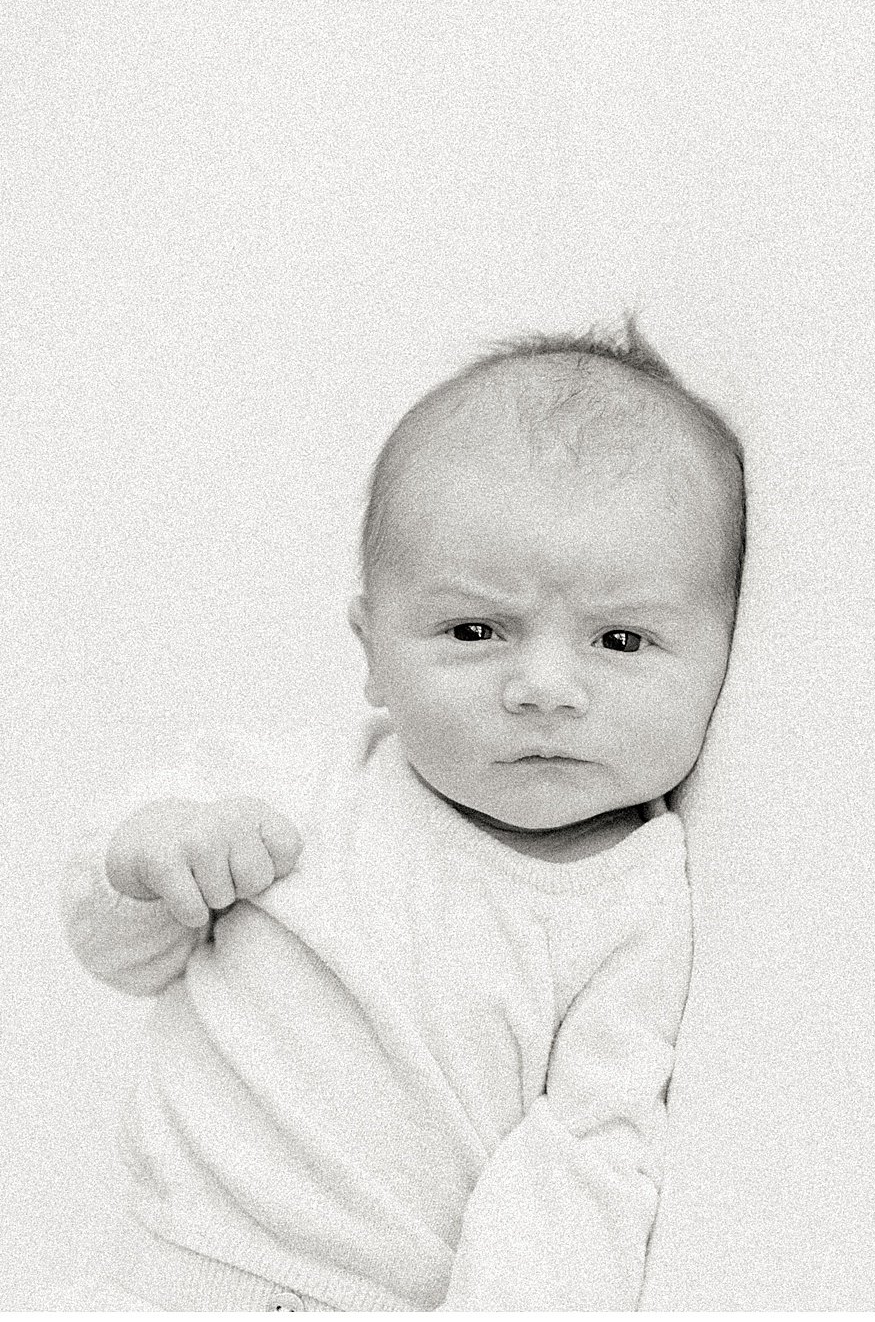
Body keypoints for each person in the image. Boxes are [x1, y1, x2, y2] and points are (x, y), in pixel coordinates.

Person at [59, 317, 745, 1310]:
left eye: (621, 639)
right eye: (475, 629)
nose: (544, 686)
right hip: (166, 1267)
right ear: (371, 649)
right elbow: (114, 947)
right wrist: (152, 856)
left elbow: (585, 1155)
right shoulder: (295, 791)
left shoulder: (636, 905)